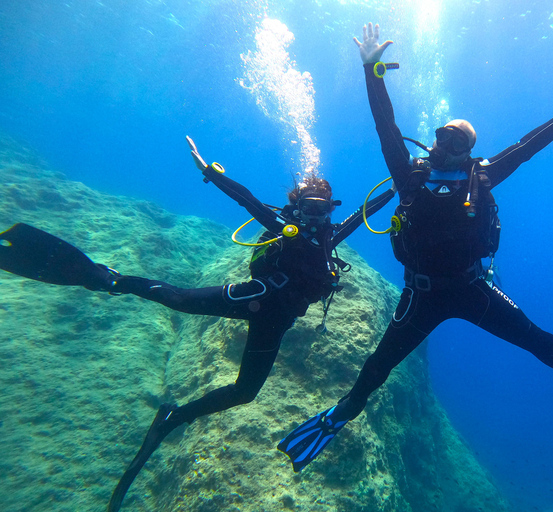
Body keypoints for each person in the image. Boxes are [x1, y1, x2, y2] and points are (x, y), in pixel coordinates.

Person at [277, 23, 553, 490]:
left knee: (544, 344)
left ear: (470, 151)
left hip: (471, 289)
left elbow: (525, 148)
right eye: (442, 134)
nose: (444, 143)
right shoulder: (409, 176)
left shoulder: (482, 177)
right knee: (376, 369)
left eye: (458, 139)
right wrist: (372, 72)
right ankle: (339, 416)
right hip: (420, 295)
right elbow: (386, 127)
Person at [0, 136, 394, 511]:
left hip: (275, 324)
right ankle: (106, 279)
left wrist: (402, 188)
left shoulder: (331, 237)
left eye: (322, 210)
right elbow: (248, 201)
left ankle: (175, 415)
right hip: (253, 298)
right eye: (308, 209)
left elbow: (366, 212)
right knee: (178, 299)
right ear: (297, 209)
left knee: (245, 392)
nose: (315, 217)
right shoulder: (282, 228)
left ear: (330, 209)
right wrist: (211, 172)